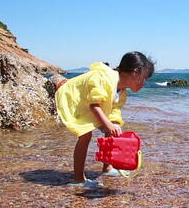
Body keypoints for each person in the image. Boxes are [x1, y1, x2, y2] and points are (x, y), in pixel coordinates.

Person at [55, 51, 155, 188]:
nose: (144, 83)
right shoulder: (104, 79)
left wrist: (114, 123)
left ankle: (107, 168)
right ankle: (78, 179)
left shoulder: (122, 91)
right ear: (135, 72)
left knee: (112, 130)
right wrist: (108, 124)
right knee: (85, 135)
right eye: (144, 78)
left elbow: (115, 110)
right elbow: (94, 105)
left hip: (93, 104)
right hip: (75, 98)